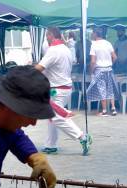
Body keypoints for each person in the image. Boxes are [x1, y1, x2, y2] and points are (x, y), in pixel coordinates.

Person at [35, 27, 90, 155]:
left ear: (51, 35)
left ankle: (82, 137)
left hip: (57, 89)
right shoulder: (66, 49)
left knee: (56, 116)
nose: (46, 39)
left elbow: (40, 67)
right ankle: (50, 144)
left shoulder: (53, 50)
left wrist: (25, 71)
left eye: (47, 36)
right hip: (64, 88)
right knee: (51, 116)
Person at [87, 28, 119, 116]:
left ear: (95, 34)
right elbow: (115, 57)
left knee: (102, 89)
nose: (91, 35)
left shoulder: (94, 45)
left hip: (99, 70)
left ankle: (104, 110)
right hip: (109, 69)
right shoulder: (108, 43)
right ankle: (113, 108)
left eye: (92, 33)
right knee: (110, 89)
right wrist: (109, 64)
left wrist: (91, 71)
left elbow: (93, 61)